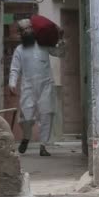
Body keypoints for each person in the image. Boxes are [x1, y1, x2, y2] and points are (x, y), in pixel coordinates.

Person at [9, 18, 65, 156]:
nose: (27, 31)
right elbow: (15, 68)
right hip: (28, 86)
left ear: (33, 31)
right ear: (21, 34)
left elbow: (60, 53)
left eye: (29, 29)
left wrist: (62, 40)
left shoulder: (43, 45)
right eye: (24, 30)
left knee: (46, 114)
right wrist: (12, 82)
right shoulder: (19, 50)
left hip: (46, 85)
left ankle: (43, 146)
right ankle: (26, 137)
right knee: (26, 117)